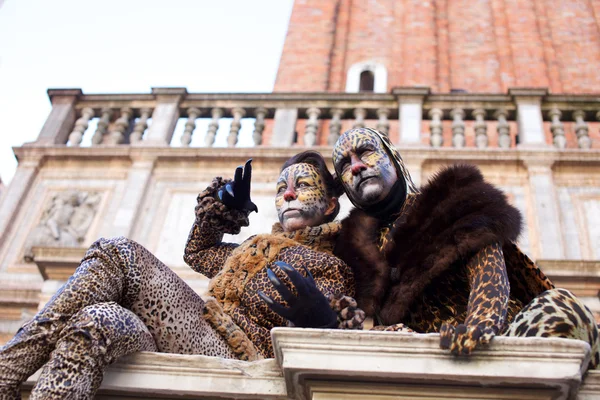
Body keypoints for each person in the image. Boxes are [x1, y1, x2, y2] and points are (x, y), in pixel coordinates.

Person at [0, 152, 364, 400]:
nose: (287, 193)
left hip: (236, 357)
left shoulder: (331, 265)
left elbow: (335, 347)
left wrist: (324, 321)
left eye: (301, 185)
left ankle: (5, 371)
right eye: (282, 187)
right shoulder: (252, 249)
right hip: (191, 336)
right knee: (96, 321)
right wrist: (220, 212)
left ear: (331, 205)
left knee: (118, 251)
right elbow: (199, 253)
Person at [327, 127, 599, 369]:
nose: (356, 167)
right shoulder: (352, 251)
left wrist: (480, 325)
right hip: (431, 361)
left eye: (366, 153)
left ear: (393, 157)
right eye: (345, 165)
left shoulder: (450, 203)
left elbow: (488, 271)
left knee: (562, 308)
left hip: (503, 338)